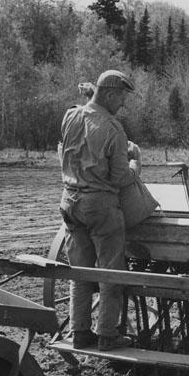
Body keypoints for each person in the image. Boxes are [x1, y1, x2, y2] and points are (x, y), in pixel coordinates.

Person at [58, 69, 140, 351]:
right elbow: (118, 178)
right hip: (100, 207)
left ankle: (79, 332)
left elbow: (85, 114)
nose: (123, 104)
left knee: (79, 272)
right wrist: (134, 165)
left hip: (70, 202)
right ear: (109, 94)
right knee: (111, 272)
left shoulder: (70, 116)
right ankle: (107, 334)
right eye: (122, 97)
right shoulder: (114, 129)